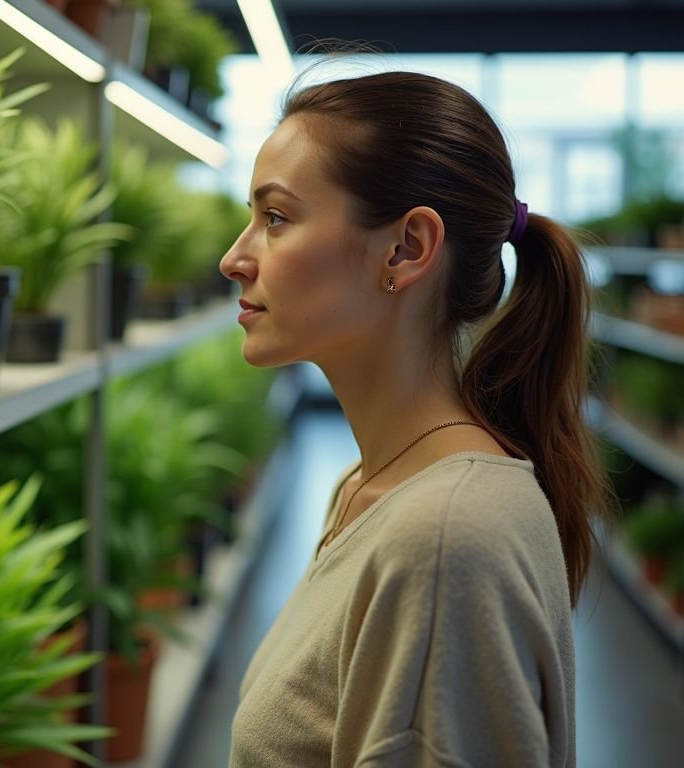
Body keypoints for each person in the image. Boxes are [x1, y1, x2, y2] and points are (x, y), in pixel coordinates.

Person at [220, 70, 609, 768]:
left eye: (275, 218)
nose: (234, 258)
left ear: (406, 248)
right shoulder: (372, 488)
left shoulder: (443, 538)